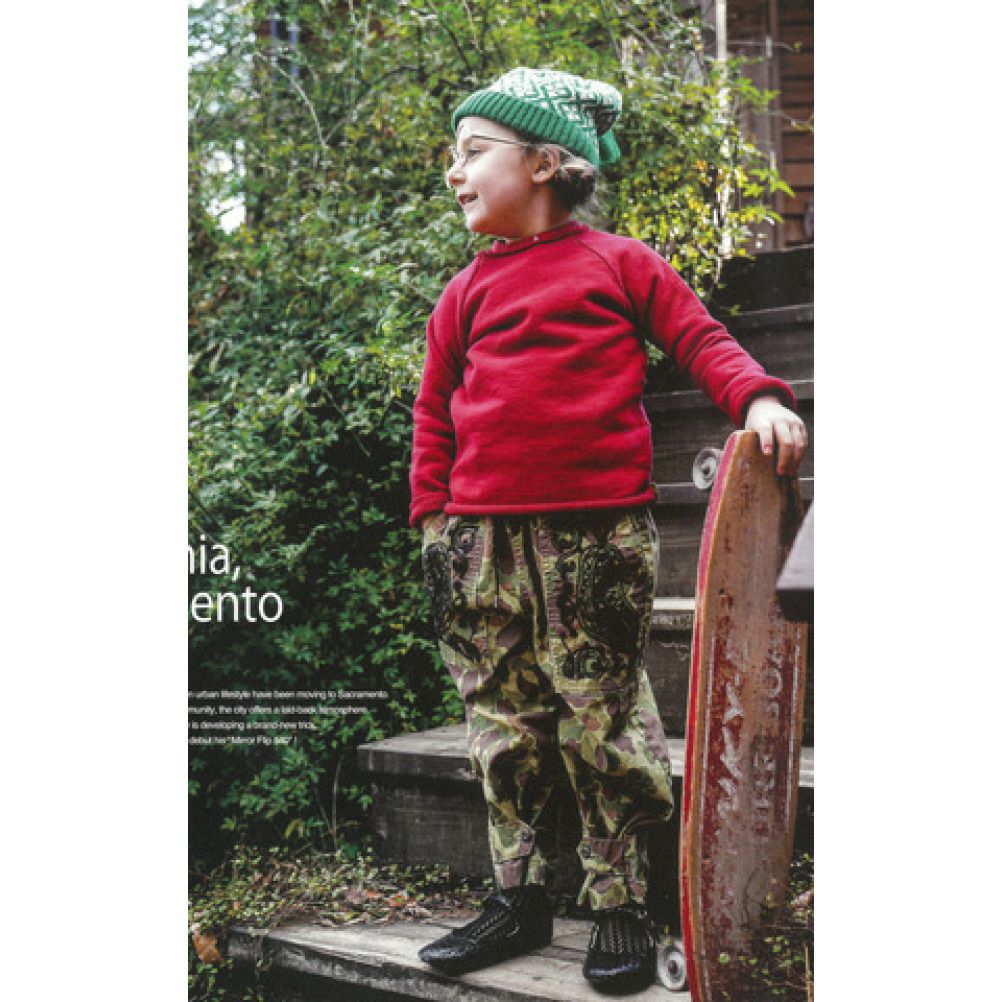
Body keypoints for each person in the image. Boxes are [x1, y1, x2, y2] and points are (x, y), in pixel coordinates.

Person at [408, 67, 807, 995]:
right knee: (501, 721)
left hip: (595, 539)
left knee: (602, 715)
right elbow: (434, 412)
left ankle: (621, 900)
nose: (455, 173)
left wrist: (756, 397)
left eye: (473, 153)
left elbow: (700, 338)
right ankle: (518, 894)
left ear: (545, 163)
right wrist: (433, 521)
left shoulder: (620, 264)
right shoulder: (463, 294)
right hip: (477, 543)